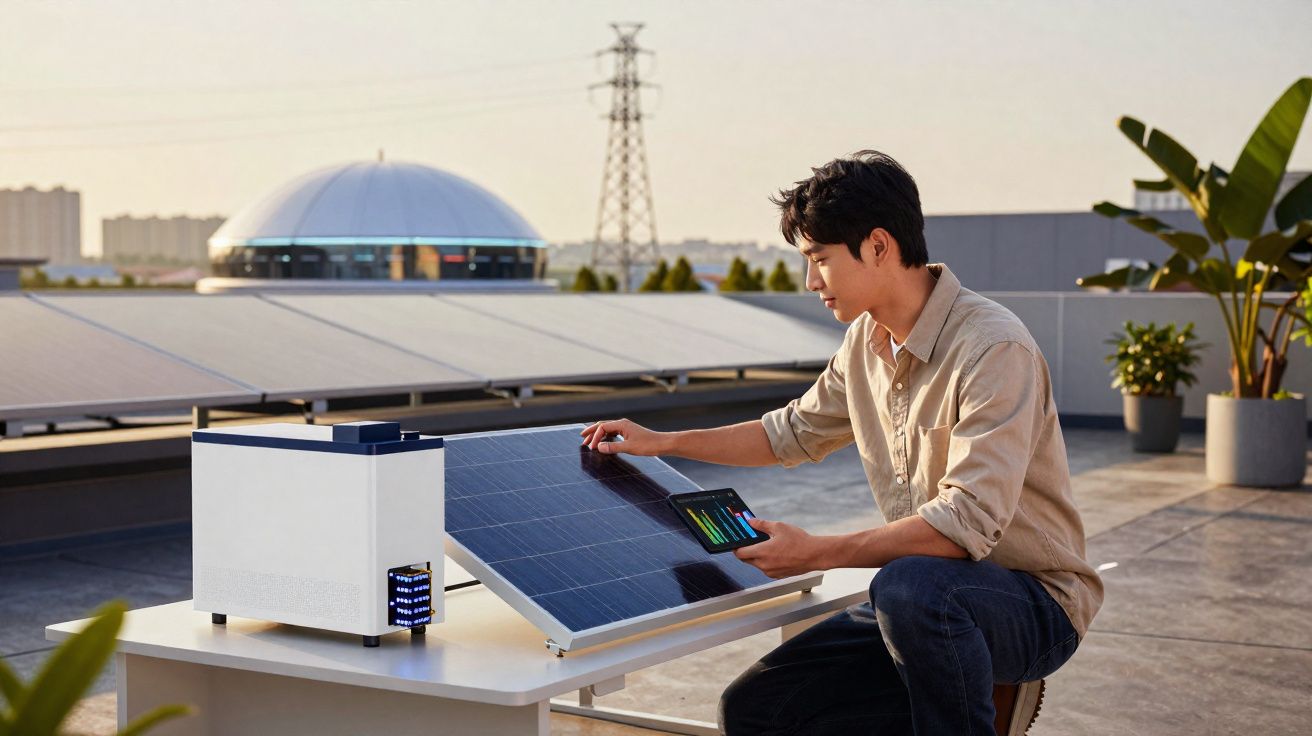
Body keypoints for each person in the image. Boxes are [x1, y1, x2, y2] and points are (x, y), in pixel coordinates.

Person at [579, 150, 1102, 735]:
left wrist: (816, 551)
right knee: (757, 708)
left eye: (819, 259)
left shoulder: (993, 348)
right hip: (922, 602)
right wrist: (662, 440)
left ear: (877, 246)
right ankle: (972, 695)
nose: (811, 282)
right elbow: (788, 433)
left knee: (908, 586)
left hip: (1032, 604)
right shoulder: (864, 343)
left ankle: (983, 694)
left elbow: (965, 523)